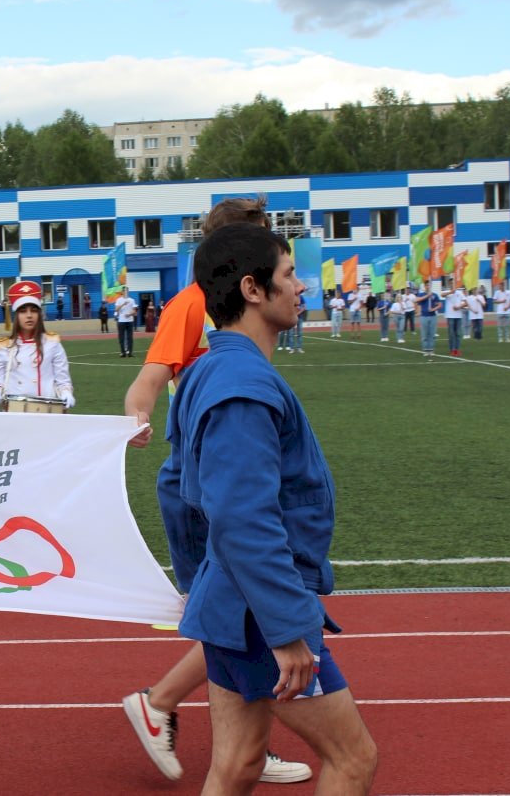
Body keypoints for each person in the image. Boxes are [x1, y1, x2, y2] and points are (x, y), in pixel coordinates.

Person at [164, 224, 377, 791]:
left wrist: (200, 582)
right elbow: (240, 517)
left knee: (237, 764)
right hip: (259, 614)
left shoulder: (209, 370)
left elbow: (176, 489)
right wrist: (285, 630)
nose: (302, 286)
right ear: (254, 289)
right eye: (289, 274)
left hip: (232, 604)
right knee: (353, 758)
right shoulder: (240, 382)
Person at [122, 196, 310, 785]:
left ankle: (236, 741)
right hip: (202, 481)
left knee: (237, 610)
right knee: (235, 609)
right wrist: (139, 423)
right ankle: (160, 704)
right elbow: (147, 379)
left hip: (223, 470)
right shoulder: (191, 305)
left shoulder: (232, 323)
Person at [0, 281, 74, 411]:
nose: (29, 315)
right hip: (15, 412)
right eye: (23, 311)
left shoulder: (52, 343)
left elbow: (63, 380)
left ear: (39, 314)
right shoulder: (4, 346)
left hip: (47, 411)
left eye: (34, 310)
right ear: (16, 316)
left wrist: (66, 393)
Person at [418, 284, 442, 359]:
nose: (428, 287)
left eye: (429, 285)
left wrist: (433, 309)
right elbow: (416, 300)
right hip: (424, 316)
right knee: (424, 334)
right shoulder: (421, 294)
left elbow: (440, 305)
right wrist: (427, 296)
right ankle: (425, 350)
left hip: (432, 316)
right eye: (426, 285)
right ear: (425, 287)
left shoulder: (434, 295)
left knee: (432, 334)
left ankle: (431, 350)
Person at [444, 281, 468, 356]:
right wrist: (450, 292)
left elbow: (466, 302)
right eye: (450, 283)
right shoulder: (447, 292)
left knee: (458, 333)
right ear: (449, 284)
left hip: (458, 316)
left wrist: (459, 307)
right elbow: (442, 295)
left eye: (453, 283)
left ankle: (457, 349)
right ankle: (452, 349)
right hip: (450, 316)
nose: (452, 285)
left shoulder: (460, 292)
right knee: (451, 334)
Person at [115, 287, 138, 357]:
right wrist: (123, 304)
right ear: (122, 292)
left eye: (126, 291)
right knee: (121, 337)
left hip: (130, 320)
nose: (125, 292)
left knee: (130, 337)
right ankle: (123, 352)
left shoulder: (132, 300)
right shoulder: (119, 300)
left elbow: (134, 311)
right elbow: (116, 310)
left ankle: (130, 352)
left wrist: (129, 314)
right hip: (121, 321)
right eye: (124, 291)